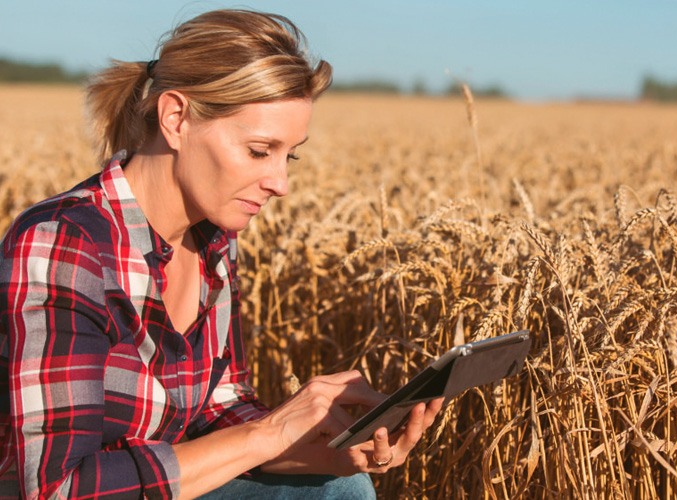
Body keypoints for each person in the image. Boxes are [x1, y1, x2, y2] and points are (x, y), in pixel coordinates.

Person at [0, 9, 443, 499]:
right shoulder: (65, 243)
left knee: (340, 486)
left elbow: (218, 411)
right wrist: (267, 434)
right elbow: (58, 488)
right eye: (259, 151)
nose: (281, 184)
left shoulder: (214, 240)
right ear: (175, 118)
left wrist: (326, 446)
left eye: (288, 155)